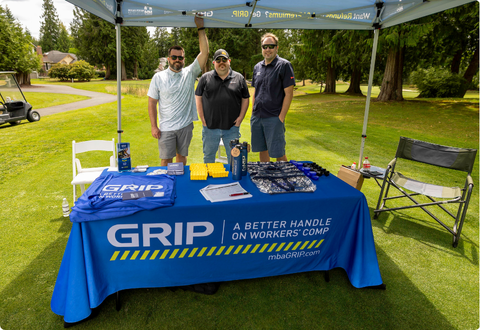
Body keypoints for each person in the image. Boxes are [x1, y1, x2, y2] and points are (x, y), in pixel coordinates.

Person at [147, 15, 209, 166]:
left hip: (185, 126)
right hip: (166, 127)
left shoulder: (190, 73)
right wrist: (154, 126)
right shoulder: (158, 77)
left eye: (180, 58)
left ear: (184, 59)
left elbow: (205, 52)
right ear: (168, 59)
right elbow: (151, 102)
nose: (177, 60)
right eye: (173, 57)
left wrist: (200, 28)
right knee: (166, 160)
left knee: (181, 158)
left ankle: (179, 187)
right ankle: (165, 186)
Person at [195, 49, 250, 165]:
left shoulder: (239, 78)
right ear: (214, 63)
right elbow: (198, 96)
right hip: (210, 127)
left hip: (232, 128)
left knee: (234, 157)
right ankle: (209, 181)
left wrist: (240, 118)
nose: (221, 62)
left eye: (224, 59)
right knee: (209, 156)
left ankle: (233, 181)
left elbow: (246, 98)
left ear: (229, 61)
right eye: (218, 60)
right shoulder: (205, 78)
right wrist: (202, 118)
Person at [251, 33, 295, 162]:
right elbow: (256, 92)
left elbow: (289, 93)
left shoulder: (284, 65)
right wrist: (253, 111)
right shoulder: (257, 67)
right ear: (262, 48)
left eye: (271, 46)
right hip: (257, 117)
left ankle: (284, 179)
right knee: (262, 149)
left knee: (278, 152)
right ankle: (266, 177)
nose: (268, 49)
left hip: (274, 117)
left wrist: (281, 118)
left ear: (277, 48)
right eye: (265, 46)